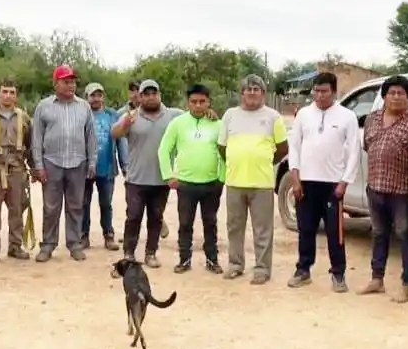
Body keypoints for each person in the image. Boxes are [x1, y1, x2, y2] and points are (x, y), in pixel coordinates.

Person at [287, 72, 360, 292]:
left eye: (324, 91)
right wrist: (295, 179)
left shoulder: (347, 116)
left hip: (332, 185)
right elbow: (295, 147)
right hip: (306, 183)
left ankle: (338, 273)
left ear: (334, 92)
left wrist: (344, 183)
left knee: (334, 232)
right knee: (306, 229)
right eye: (316, 91)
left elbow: (354, 151)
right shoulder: (303, 115)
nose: (319, 96)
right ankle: (303, 270)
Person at [358, 75, 408, 302]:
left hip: (403, 191)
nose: (396, 97)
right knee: (378, 234)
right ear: (384, 96)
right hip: (375, 187)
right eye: (392, 93)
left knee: (405, 235)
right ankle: (377, 279)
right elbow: (368, 146)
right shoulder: (372, 118)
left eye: (401, 93)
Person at [218, 74, 288, 285]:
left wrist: (264, 161)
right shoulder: (230, 115)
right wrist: (237, 161)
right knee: (234, 227)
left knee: (263, 229)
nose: (252, 92)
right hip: (235, 182)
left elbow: (282, 148)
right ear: (242, 93)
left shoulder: (273, 116)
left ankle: (262, 269)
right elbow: (222, 147)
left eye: (256, 89)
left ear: (263, 93)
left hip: (262, 184)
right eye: (248, 89)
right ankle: (235, 264)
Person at [31, 64, 98, 262]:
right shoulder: (44, 106)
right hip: (52, 162)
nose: (71, 85)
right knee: (51, 207)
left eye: (73, 81)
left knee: (76, 206)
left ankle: (75, 244)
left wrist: (92, 161)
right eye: (66, 81)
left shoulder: (84, 106)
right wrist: (38, 165)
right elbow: (36, 138)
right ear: (56, 84)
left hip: (78, 162)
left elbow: (91, 137)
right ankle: (48, 245)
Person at [112, 79, 181, 267]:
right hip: (136, 179)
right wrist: (125, 123)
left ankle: (151, 253)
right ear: (140, 97)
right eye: (146, 94)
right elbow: (114, 133)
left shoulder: (173, 115)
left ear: (159, 94)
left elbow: (195, 116)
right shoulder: (131, 116)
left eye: (154, 93)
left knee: (156, 218)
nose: (151, 97)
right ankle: (128, 253)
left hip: (161, 179)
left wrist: (209, 114)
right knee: (133, 216)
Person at [158, 83, 224, 274]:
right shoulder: (178, 124)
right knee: (185, 223)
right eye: (194, 102)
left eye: (202, 101)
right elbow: (164, 150)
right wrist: (168, 175)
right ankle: (184, 259)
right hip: (185, 184)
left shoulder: (217, 124)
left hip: (212, 183)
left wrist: (222, 177)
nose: (198, 105)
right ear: (188, 103)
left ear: (208, 102)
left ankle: (212, 259)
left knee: (210, 223)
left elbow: (225, 153)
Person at [0, 78, 33, 263]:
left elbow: (30, 145)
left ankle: (15, 246)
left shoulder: (24, 118)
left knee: (17, 210)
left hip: (17, 170)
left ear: (16, 96)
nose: (8, 95)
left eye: (12, 92)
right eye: (5, 91)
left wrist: (33, 169)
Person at [83, 82, 127, 251]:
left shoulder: (112, 115)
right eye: (93, 95)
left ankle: (108, 235)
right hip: (85, 168)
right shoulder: (82, 113)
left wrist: (125, 165)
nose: (96, 99)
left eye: (99, 95)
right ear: (87, 97)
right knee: (83, 203)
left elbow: (121, 140)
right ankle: (83, 236)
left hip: (107, 166)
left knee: (106, 204)